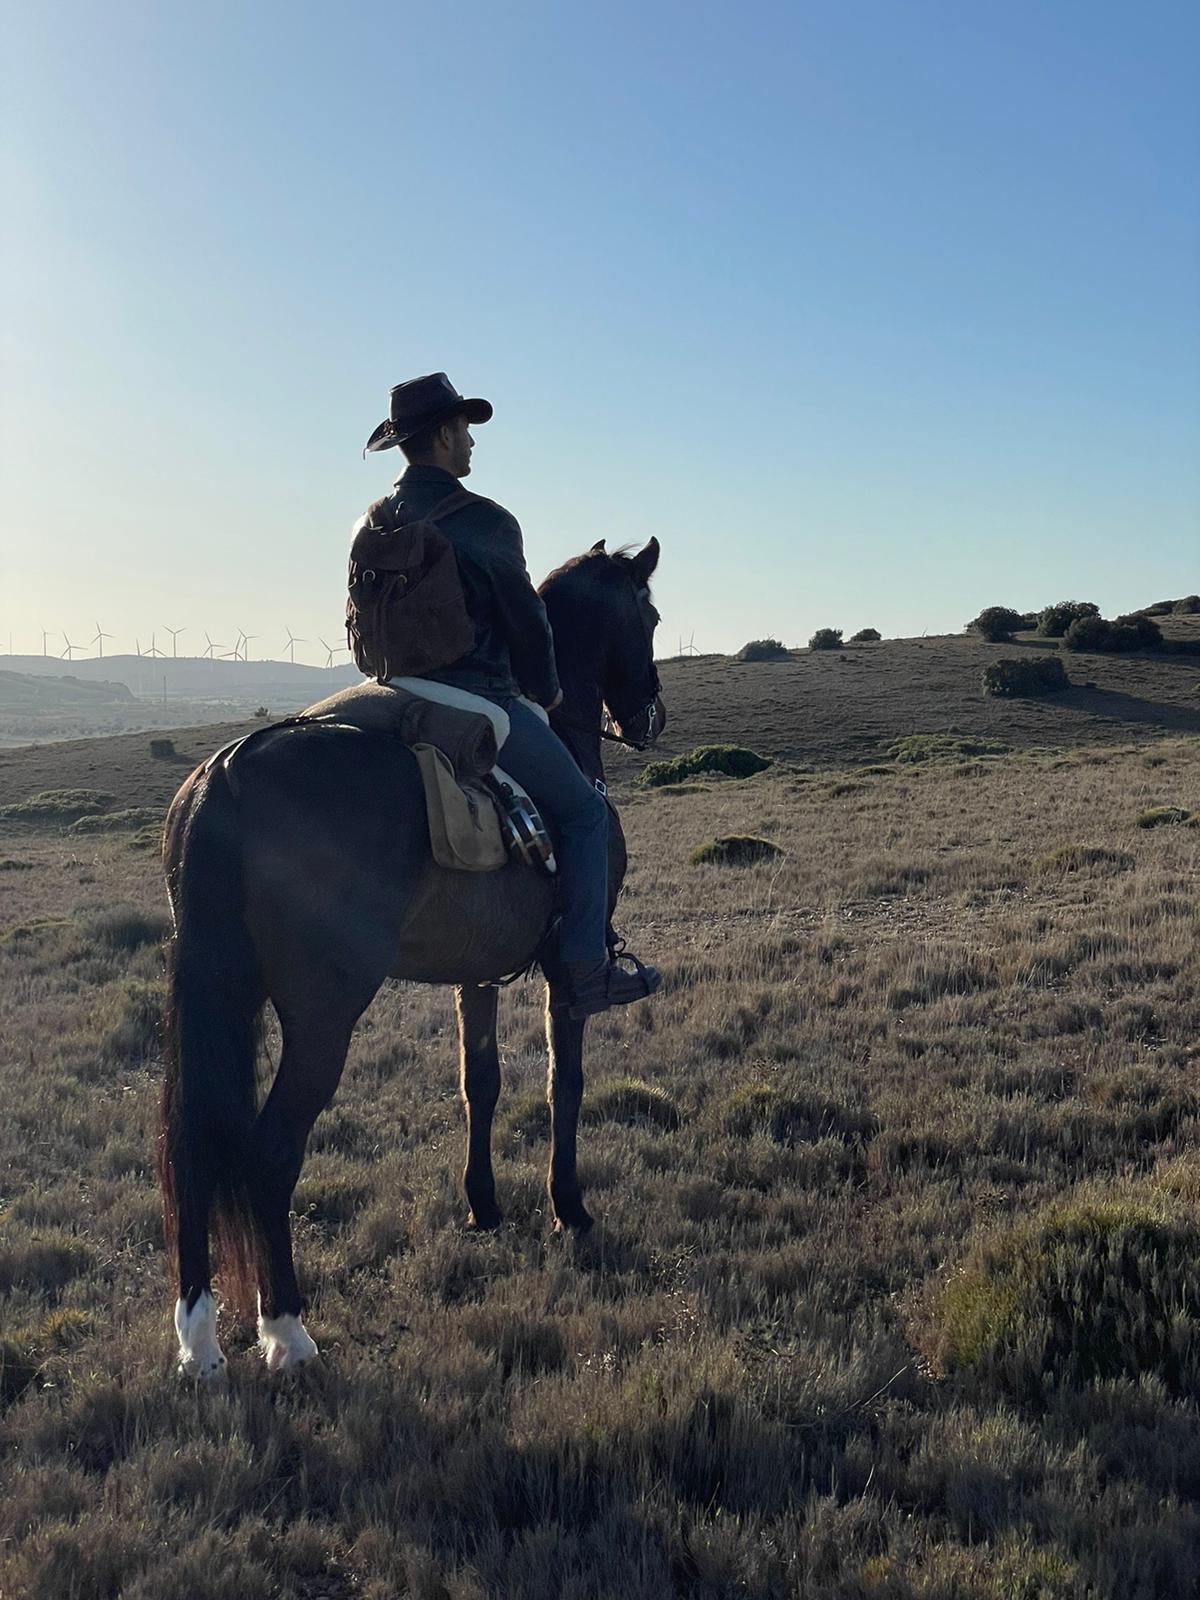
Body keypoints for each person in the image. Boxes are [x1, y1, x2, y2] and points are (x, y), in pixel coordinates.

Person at [362, 373, 660, 1019]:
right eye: (466, 430)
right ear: (444, 435)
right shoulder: (484, 520)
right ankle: (587, 971)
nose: (471, 443)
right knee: (583, 814)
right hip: (475, 698)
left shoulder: (375, 519)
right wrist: (548, 692)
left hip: (384, 691)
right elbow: (526, 622)